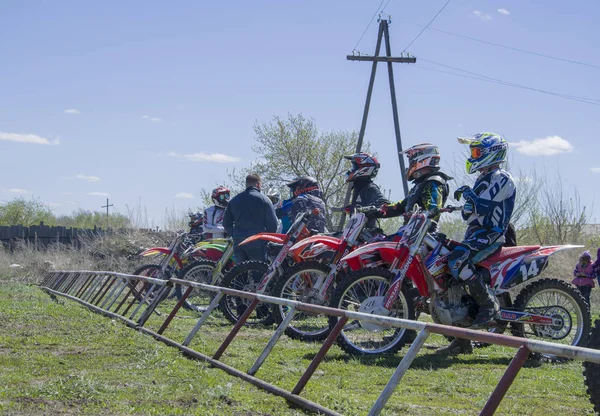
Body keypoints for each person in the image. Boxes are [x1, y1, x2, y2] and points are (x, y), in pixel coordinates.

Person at [438, 132, 516, 355]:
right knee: (447, 270)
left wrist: (469, 195)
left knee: (457, 260)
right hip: (475, 233)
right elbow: (469, 215)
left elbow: (484, 208)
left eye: (477, 152)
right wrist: (468, 200)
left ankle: (489, 305)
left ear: (491, 153)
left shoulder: (502, 178)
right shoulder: (482, 178)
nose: (474, 156)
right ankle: (461, 340)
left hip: (492, 234)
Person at [380, 143, 451, 228]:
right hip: (410, 232)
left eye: (411, 160)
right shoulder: (421, 184)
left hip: (423, 234)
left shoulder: (433, 182)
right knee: (379, 239)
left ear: (421, 160)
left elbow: (434, 208)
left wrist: (421, 214)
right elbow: (401, 206)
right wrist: (381, 210)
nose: (410, 163)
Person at [223, 174, 278, 262]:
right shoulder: (264, 200)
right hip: (257, 241)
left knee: (240, 272)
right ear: (259, 184)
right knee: (258, 271)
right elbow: (273, 224)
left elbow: (226, 223)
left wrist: (234, 233)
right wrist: (267, 239)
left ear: (246, 184)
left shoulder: (234, 200)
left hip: (239, 240)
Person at [344, 152, 389, 230]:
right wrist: (352, 208)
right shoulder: (358, 187)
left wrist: (370, 208)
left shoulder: (370, 187)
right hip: (355, 231)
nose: (351, 169)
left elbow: (384, 203)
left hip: (368, 233)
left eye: (354, 166)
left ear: (364, 168)